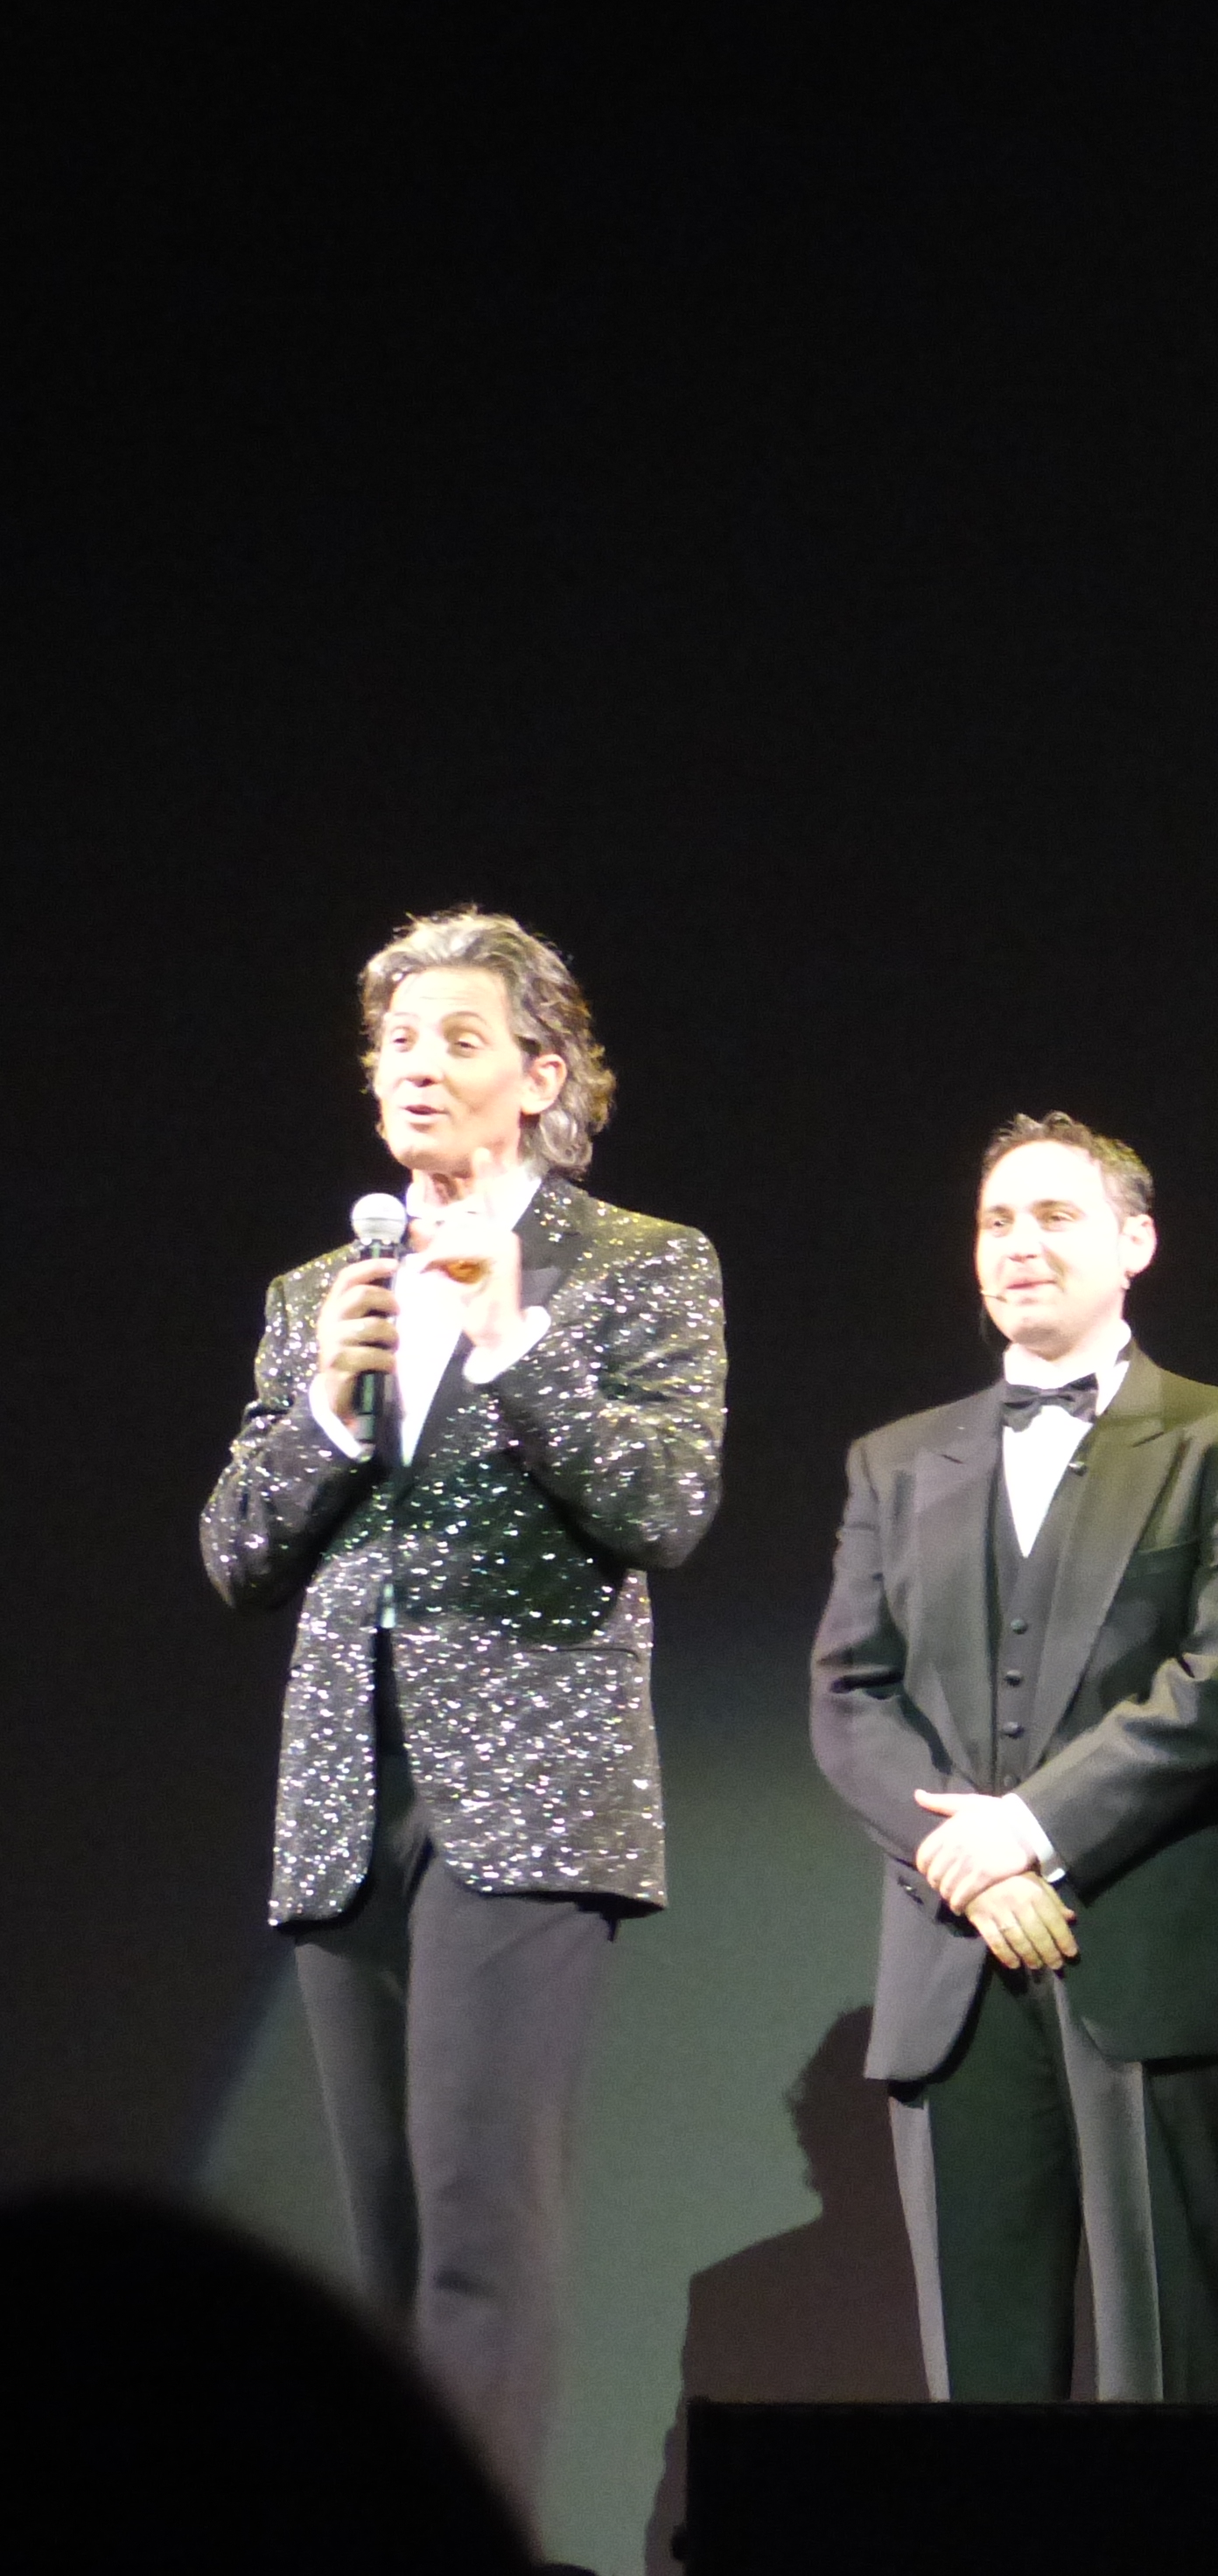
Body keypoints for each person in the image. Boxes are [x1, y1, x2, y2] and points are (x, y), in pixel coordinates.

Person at [200, 908, 724, 2504]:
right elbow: (234, 1551)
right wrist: (323, 1415)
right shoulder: (319, 1290)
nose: (416, 1067)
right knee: (386, 2240)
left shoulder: (640, 1263)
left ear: (541, 1076)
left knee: (483, 2225)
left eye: (458, 1041)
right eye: (396, 1044)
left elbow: (665, 1508)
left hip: (529, 1799)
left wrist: (516, 1344)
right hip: (346, 1797)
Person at [810, 1113, 1218, 2400]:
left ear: (1135, 1243)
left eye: (1054, 1217)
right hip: (953, 1964)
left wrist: (1026, 1832)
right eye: (996, 1221)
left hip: (1145, 1958)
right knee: (981, 2393)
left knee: (1171, 2373)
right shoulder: (895, 1462)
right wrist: (969, 1866)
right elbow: (850, 1695)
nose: (1018, 1246)